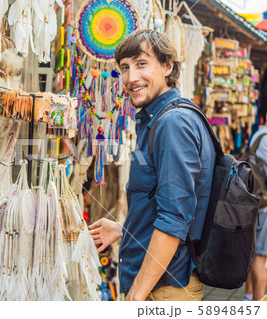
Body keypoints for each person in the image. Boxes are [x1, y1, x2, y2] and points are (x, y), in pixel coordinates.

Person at [89, 30, 215, 301]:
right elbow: (168, 203)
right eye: (125, 68)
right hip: (160, 284)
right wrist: (124, 230)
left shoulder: (173, 123)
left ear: (168, 66)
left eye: (142, 64)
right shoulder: (156, 119)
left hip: (164, 289)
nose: (131, 78)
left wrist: (136, 296)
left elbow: (174, 219)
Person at [244, 105, 267, 301]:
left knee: (252, 251)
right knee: (262, 255)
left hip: (256, 201)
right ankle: (258, 304)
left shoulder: (258, 135)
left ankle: (248, 297)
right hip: (265, 203)